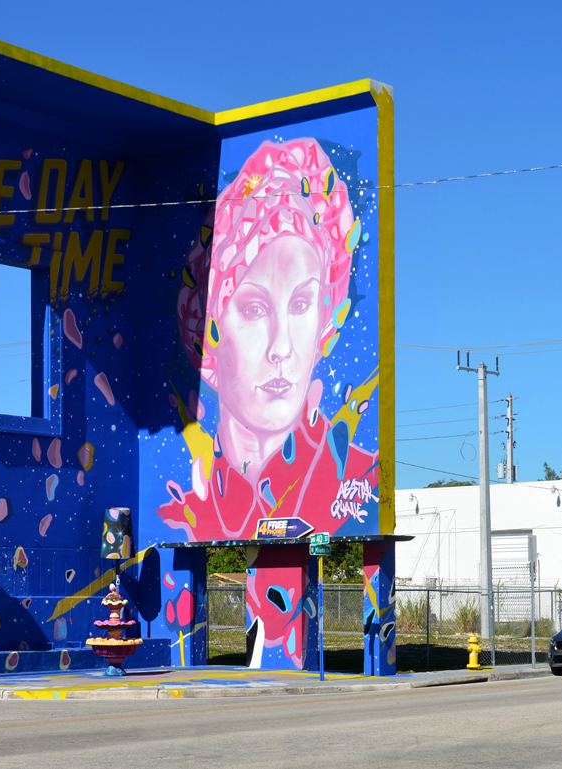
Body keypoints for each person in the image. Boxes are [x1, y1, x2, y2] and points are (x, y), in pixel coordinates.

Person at [160, 138, 379, 668]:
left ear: (326, 315)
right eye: (256, 307)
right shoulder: (186, 502)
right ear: (207, 333)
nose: (283, 347)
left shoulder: (358, 477)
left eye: (302, 304)